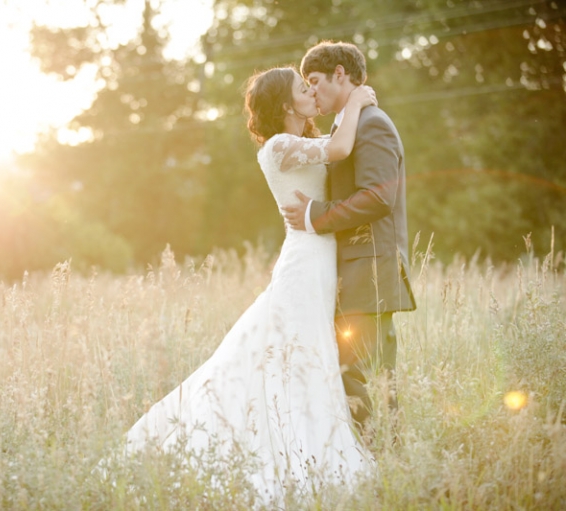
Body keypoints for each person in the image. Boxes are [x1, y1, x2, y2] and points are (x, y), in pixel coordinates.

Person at [124, 66, 377, 504]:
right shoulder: (279, 147)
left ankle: (305, 438)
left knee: (305, 351)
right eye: (304, 88)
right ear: (284, 104)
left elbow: (336, 149)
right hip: (304, 262)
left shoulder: (300, 142)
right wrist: (355, 100)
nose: (312, 92)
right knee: (296, 353)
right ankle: (289, 447)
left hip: (320, 259)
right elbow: (339, 147)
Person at [282, 41, 416, 432]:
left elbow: (379, 198)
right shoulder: (350, 124)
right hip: (351, 277)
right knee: (353, 380)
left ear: (340, 74)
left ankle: (387, 469)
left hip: (370, 274)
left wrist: (313, 215)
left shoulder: (373, 123)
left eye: (316, 81)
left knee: (368, 382)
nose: (312, 91)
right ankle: (375, 467)